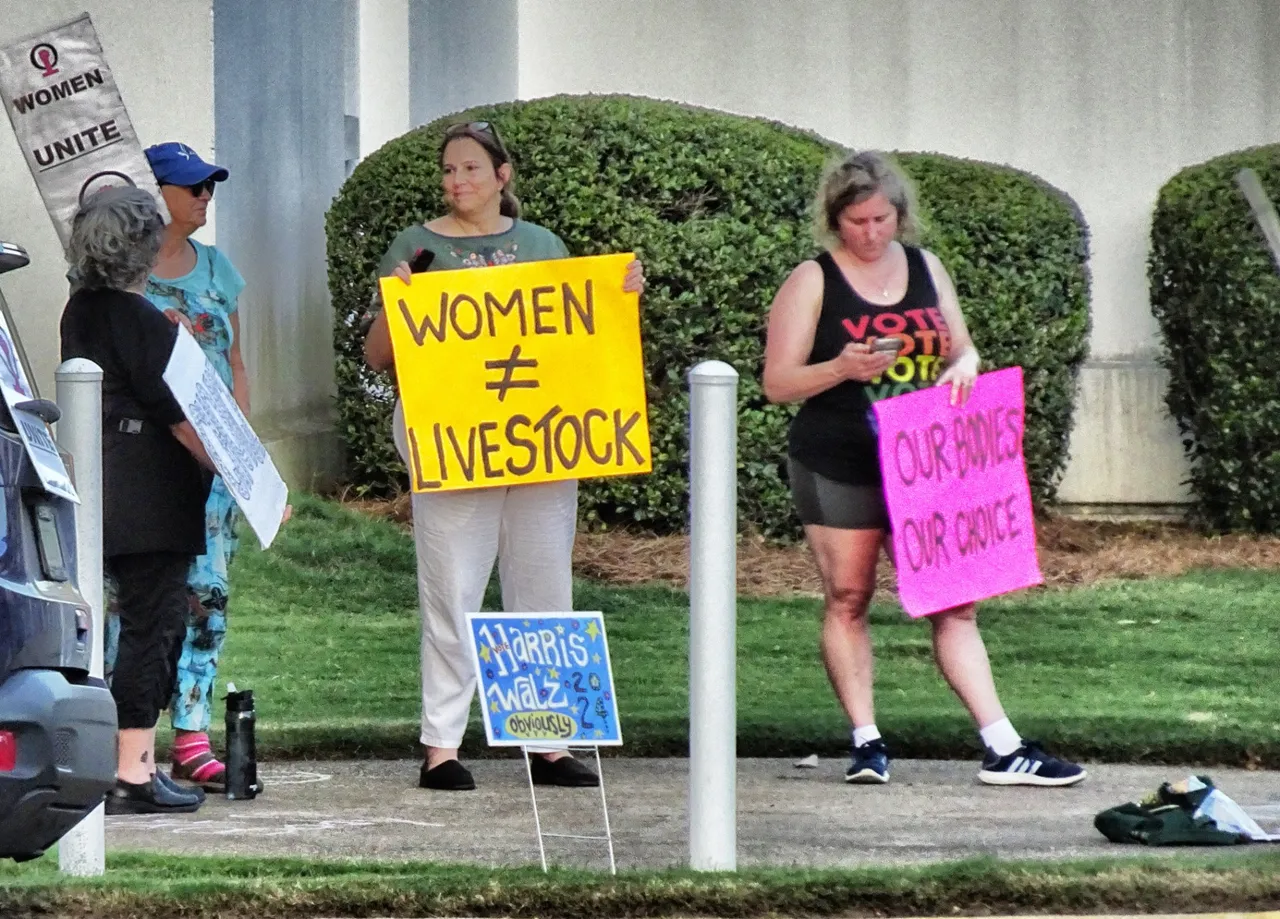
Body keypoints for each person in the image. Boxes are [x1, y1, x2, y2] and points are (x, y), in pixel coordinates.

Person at [762, 151, 1085, 788]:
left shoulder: (925, 267)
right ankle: (867, 741)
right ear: (835, 221)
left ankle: (1002, 744)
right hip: (840, 457)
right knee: (848, 597)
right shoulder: (813, 280)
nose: (871, 233)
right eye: (856, 222)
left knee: (955, 603)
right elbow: (777, 383)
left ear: (900, 216)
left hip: (926, 461)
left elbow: (959, 344)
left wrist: (964, 365)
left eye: (881, 218)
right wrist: (842, 369)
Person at [363, 121, 645, 791]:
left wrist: (618, 293)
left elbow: (582, 336)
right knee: (453, 583)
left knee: (543, 583)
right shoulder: (417, 247)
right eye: (448, 171)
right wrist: (398, 302)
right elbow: (378, 355)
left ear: (502, 175)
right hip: (453, 434)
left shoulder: (543, 245)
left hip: (542, 435)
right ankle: (442, 745)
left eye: (469, 168)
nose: (456, 181)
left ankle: (547, 741)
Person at [60, 187, 215, 814]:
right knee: (154, 628)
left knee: (111, 626)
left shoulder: (80, 311)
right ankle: (134, 772)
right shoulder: (144, 321)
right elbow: (181, 420)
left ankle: (116, 765)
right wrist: (242, 474)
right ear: (144, 246)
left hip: (100, 481)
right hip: (151, 492)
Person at [139, 141, 247, 792]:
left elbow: (237, 363)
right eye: (190, 186)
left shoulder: (217, 270)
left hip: (212, 465)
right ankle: (131, 738)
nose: (204, 195)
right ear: (154, 194)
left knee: (206, 594)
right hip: (146, 460)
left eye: (209, 185)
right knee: (136, 598)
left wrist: (241, 448)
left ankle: (193, 733)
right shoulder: (124, 277)